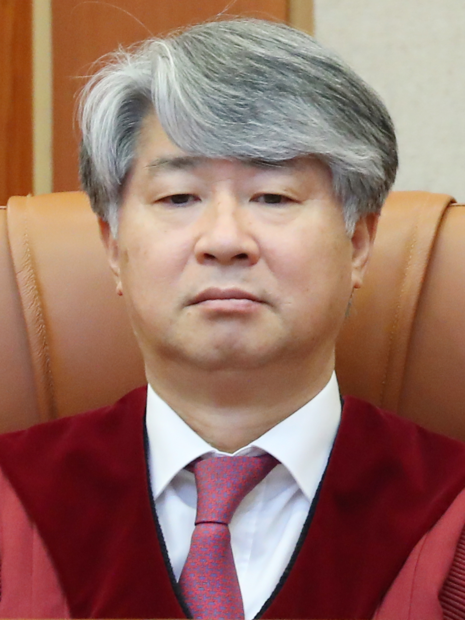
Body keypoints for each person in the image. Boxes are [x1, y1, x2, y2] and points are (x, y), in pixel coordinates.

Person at [0, 17, 464, 620]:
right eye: (179, 198)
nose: (224, 240)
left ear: (357, 243)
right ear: (113, 246)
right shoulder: (12, 503)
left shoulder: (452, 524)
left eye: (272, 197)